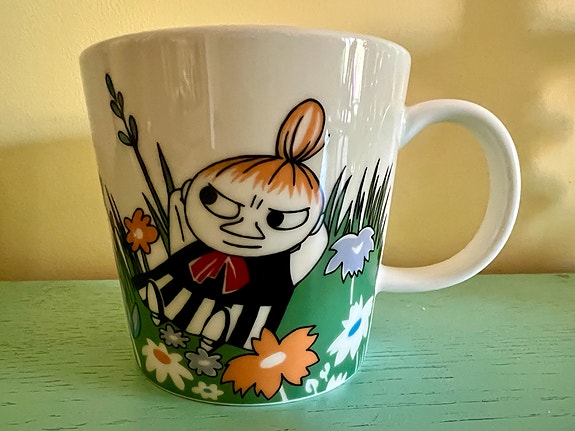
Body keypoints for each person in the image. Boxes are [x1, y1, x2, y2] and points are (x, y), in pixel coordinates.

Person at [135, 99, 329, 352]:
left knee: (243, 315)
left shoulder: (281, 265)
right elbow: (179, 234)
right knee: (178, 284)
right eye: (217, 201)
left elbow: (313, 249)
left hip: (257, 292)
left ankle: (215, 337)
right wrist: (178, 206)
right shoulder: (200, 246)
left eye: (277, 219)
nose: (243, 227)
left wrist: (316, 234)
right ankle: (163, 306)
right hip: (202, 268)